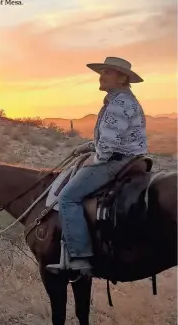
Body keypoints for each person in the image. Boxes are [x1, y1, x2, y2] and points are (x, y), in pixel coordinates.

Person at [47, 56, 148, 274]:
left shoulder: (118, 104)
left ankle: (80, 257)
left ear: (122, 78)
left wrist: (95, 159)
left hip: (116, 161)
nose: (101, 77)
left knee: (67, 197)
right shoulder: (122, 100)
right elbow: (113, 137)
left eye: (107, 72)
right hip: (129, 158)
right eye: (101, 72)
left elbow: (109, 145)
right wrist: (86, 147)